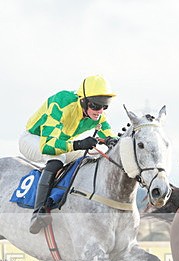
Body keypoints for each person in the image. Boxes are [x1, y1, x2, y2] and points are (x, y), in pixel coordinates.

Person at [19, 74, 118, 234]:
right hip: (34, 139)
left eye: (104, 107)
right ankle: (38, 213)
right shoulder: (61, 103)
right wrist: (78, 144)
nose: (99, 111)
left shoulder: (96, 112)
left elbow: (107, 132)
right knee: (57, 158)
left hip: (60, 142)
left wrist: (111, 141)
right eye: (95, 106)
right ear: (83, 101)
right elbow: (48, 145)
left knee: (93, 154)